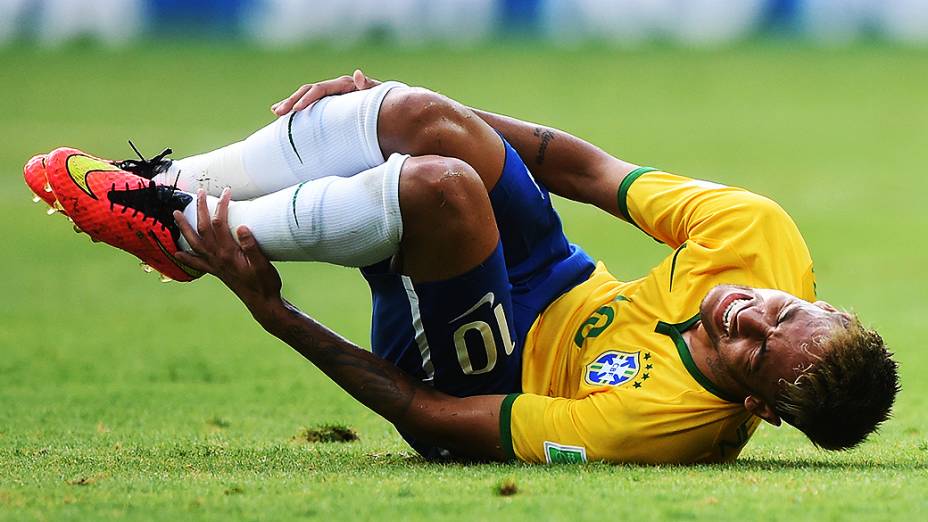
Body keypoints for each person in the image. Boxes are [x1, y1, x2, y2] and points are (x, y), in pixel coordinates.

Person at [27, 70, 899, 464]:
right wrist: (400, 106)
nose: (744, 312)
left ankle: (181, 233)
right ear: (810, 296)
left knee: (444, 190)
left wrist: (274, 311)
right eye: (780, 311)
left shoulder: (657, 427)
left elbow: (432, 414)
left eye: (753, 348)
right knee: (422, 123)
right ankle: (167, 191)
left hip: (483, 373)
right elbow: (586, 171)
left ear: (755, 410)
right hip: (557, 275)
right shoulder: (759, 235)